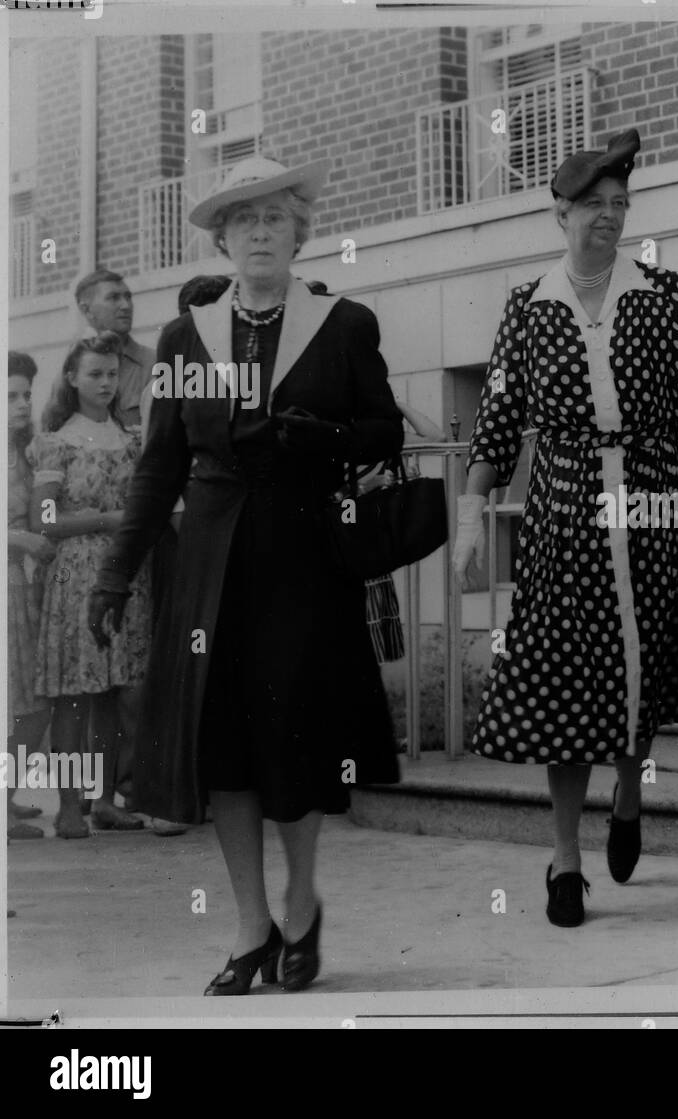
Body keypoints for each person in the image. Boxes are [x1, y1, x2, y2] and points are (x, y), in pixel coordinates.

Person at [88, 155, 404, 994]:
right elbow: (158, 467)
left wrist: (316, 437)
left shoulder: (344, 325)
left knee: (294, 743)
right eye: (244, 220)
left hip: (305, 558)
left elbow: (381, 433)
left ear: (299, 232)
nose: (260, 232)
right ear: (223, 238)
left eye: (274, 218)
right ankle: (249, 923)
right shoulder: (185, 337)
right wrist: (113, 577)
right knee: (224, 747)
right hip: (212, 565)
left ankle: (302, 907)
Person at [453, 130, 678, 927]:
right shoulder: (527, 306)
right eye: (594, 206)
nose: (609, 218)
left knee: (640, 669)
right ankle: (565, 858)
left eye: (620, 206)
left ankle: (630, 794)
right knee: (565, 678)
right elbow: (498, 419)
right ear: (560, 212)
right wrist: (471, 512)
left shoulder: (658, 292)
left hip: (649, 498)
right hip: (563, 507)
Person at [29, 333, 152, 838]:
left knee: (113, 692)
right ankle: (68, 804)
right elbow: (44, 517)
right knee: (75, 696)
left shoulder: (131, 438)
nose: (105, 382)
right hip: (77, 573)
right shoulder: (58, 440)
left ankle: (104, 801)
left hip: (126, 574)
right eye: (94, 374)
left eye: (111, 374)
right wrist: (104, 520)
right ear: (73, 379)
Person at [8, 352, 55, 839]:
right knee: (15, 703)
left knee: (32, 702)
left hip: (22, 588)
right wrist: (17, 539)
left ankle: (8, 794)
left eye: (25, 395)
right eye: (11, 396)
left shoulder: (25, 452)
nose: (22, 405)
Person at [74, 270, 152, 430]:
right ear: (86, 310)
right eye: (113, 298)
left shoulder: (154, 363)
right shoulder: (72, 364)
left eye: (128, 297)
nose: (126, 306)